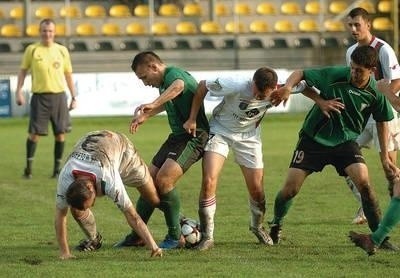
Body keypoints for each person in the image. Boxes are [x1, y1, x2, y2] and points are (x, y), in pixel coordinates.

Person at [267, 45, 398, 249]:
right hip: (314, 139)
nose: (353, 73)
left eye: (359, 70)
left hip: (345, 143)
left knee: (365, 184)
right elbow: (301, 74)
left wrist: (384, 157)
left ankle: (379, 238)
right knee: (290, 190)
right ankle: (276, 223)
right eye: (352, 67)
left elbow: (382, 121)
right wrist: (289, 88)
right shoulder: (336, 74)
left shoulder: (376, 93)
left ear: (371, 70)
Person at [114, 51, 209, 249]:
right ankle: (138, 235)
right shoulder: (164, 83)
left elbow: (178, 87)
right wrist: (146, 116)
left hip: (194, 136)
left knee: (164, 181)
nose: (144, 83)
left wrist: (153, 103)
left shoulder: (174, 75)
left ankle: (175, 237)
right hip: (176, 137)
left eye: (144, 77)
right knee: (146, 180)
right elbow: (170, 101)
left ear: (154, 67)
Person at [181, 67, 284, 250]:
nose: (257, 97)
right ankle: (207, 237)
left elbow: (304, 81)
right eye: (256, 92)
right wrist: (192, 118)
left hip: (249, 138)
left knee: (257, 190)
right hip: (220, 131)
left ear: (274, 88)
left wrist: (296, 91)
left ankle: (257, 226)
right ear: (252, 83)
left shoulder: (281, 89)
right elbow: (203, 85)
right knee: (209, 180)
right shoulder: (235, 84)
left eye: (263, 95)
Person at [55, 130, 163, 260]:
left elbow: (132, 215)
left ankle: (179, 226)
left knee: (154, 198)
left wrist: (154, 247)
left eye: (92, 201)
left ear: (90, 187)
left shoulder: (109, 178)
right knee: (77, 209)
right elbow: (61, 215)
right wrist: (65, 252)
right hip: (97, 146)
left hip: (123, 152)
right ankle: (94, 239)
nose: (92, 206)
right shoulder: (66, 177)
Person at [343, 7, 400, 225]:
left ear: (368, 25)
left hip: (385, 116)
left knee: (389, 169)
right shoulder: (351, 52)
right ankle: (366, 206)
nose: (354, 29)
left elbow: (395, 81)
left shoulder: (383, 49)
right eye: (351, 25)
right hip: (361, 117)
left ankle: (393, 210)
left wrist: (381, 98)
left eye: (357, 24)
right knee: (345, 158)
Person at [15, 18, 77, 179]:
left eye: (50, 31)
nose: (47, 34)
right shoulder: (32, 49)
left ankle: (57, 170)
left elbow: (68, 74)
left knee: (60, 134)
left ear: (54, 33)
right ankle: (28, 169)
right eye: (44, 30)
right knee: (34, 134)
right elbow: (23, 71)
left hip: (59, 97)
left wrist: (74, 96)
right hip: (39, 97)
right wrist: (18, 91)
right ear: (39, 32)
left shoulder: (62, 50)